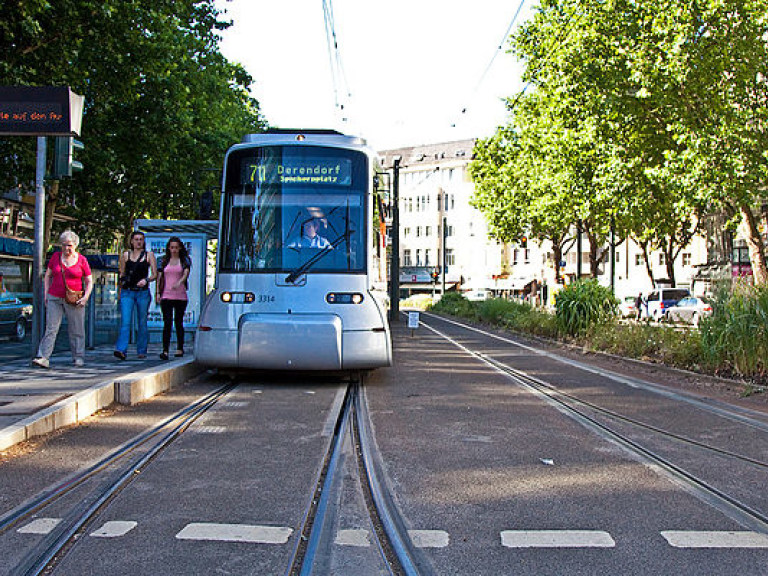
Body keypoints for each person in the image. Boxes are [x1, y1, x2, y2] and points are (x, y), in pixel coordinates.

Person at [32, 230, 93, 368]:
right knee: (51, 328)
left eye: (69, 245)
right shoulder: (55, 257)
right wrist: (46, 293)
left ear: (75, 246)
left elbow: (89, 280)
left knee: (77, 329)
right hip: (55, 296)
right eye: (64, 245)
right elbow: (48, 275)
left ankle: (78, 356)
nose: (66, 248)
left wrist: (85, 297)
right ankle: (43, 356)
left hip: (74, 298)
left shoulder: (82, 260)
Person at [114, 231, 157, 360]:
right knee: (125, 322)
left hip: (142, 292)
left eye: (141, 239)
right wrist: (120, 291)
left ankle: (142, 349)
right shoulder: (126, 255)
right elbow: (121, 273)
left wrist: (146, 280)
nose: (138, 242)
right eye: (136, 239)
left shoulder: (149, 255)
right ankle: (121, 349)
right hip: (128, 291)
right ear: (131, 241)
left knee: (142, 322)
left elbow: (155, 274)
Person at [156, 237, 191, 360]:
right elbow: (159, 277)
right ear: (168, 248)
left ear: (180, 248)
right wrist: (157, 293)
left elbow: (186, 273)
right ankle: (165, 350)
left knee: (178, 322)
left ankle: (180, 348)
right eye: (172, 247)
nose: (174, 250)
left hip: (180, 296)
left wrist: (179, 282)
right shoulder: (163, 261)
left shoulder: (184, 260)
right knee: (167, 322)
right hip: (166, 294)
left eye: (176, 247)